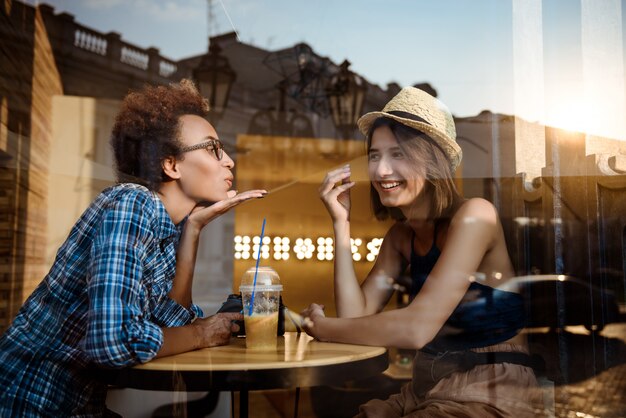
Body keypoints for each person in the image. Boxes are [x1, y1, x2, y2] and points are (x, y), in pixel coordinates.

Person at [0, 79, 266, 417]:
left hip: (81, 406)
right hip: (28, 402)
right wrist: (200, 333)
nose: (228, 160)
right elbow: (113, 343)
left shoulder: (167, 226)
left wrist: (194, 231)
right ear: (171, 165)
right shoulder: (132, 203)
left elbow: (167, 325)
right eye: (213, 148)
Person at [302, 87, 545, 417]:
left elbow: (417, 329)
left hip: (490, 387)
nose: (381, 171)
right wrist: (340, 223)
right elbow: (353, 323)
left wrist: (323, 328)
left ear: (432, 162)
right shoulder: (399, 238)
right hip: (426, 387)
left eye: (398, 154)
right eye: (374, 155)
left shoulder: (476, 215)